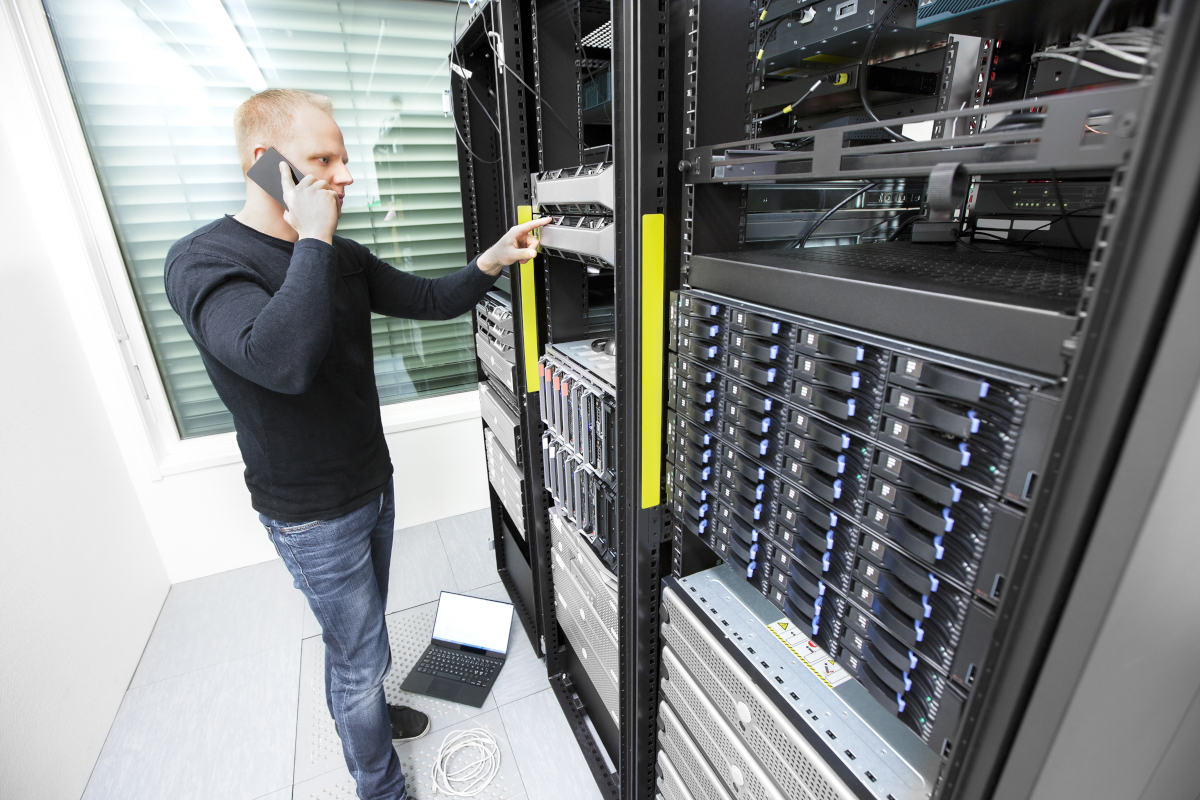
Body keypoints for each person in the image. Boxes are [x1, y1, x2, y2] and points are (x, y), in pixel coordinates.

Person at [164, 89, 549, 800]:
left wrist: (491, 260)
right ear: (263, 163)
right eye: (322, 159)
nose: (344, 175)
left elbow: (429, 299)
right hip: (310, 511)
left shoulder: (340, 256)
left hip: (371, 482)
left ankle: (364, 711)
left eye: (343, 157)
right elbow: (282, 360)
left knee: (358, 641)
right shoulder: (204, 262)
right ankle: (380, 785)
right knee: (357, 653)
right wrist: (310, 237)